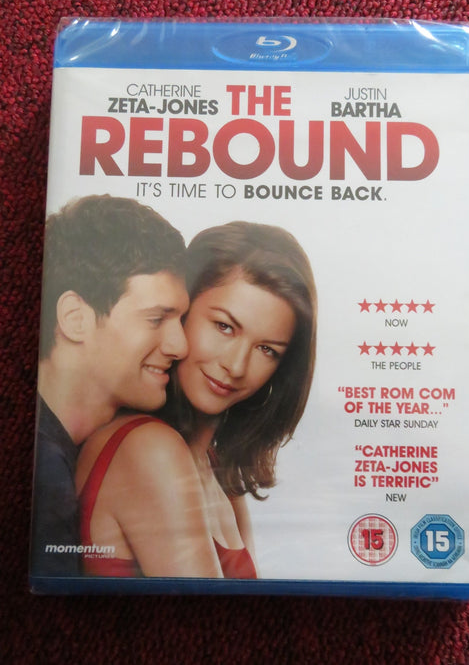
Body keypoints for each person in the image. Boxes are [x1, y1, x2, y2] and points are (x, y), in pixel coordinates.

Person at [76, 221, 317, 579]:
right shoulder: (149, 448)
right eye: (224, 326)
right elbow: (212, 613)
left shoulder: (218, 472)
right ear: (182, 312)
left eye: (266, 349)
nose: (236, 366)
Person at [31, 195, 189, 577]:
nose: (181, 346)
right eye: (156, 319)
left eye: (181, 321)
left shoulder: (59, 451)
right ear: (75, 318)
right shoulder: (41, 471)